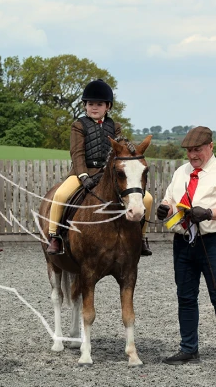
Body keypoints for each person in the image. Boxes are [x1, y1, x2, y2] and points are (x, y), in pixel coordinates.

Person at [46, 79, 154, 256]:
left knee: (147, 199)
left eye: (99, 104)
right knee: (61, 195)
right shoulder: (78, 125)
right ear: (85, 106)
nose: (94, 108)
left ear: (107, 107)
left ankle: (141, 238)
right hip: (84, 172)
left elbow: (120, 149)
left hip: (108, 175)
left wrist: (130, 149)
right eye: (90, 104)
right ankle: (54, 236)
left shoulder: (115, 126)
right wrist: (83, 176)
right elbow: (77, 153)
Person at [157, 126, 216, 365]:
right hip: (183, 242)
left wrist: (210, 213)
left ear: (210, 146)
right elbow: (170, 198)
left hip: (212, 241)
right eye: (189, 150)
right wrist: (165, 208)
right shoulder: (181, 172)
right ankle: (189, 348)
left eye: (197, 150)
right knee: (186, 297)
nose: (192, 155)